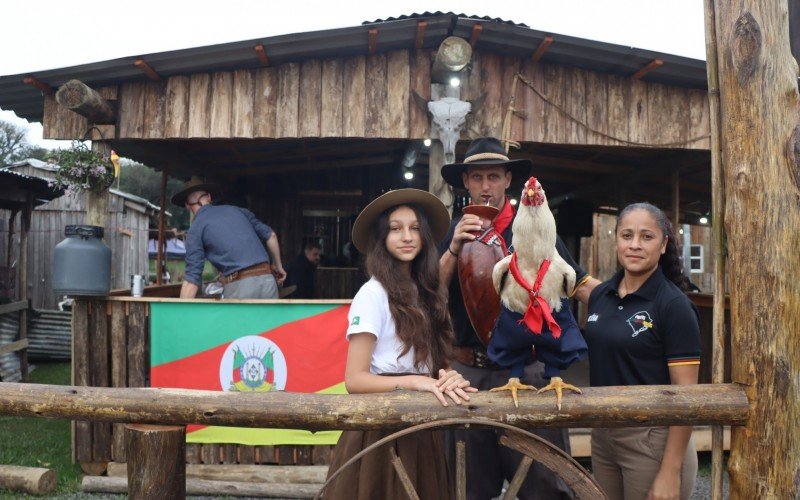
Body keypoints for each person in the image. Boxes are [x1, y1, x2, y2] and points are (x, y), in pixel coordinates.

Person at [438, 137, 600, 500]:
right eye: (476, 177)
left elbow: (576, 281)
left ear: (507, 179)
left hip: (527, 367)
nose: (485, 186)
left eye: (493, 176)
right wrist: (453, 248)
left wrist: (630, 301)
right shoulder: (456, 229)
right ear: (465, 182)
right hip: (468, 372)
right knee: (467, 485)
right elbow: (430, 290)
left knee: (542, 480)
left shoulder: (535, 226)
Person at [323, 188, 477, 500]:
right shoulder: (373, 293)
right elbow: (354, 379)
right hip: (379, 429)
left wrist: (446, 376)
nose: (406, 237)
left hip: (420, 428)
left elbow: (434, 365)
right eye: (395, 229)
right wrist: (416, 382)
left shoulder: (430, 293)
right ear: (381, 238)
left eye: (414, 228)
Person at [584, 202, 700, 500]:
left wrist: (670, 471)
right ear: (616, 240)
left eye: (647, 237)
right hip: (603, 434)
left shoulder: (674, 306)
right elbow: (565, 272)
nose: (635, 245)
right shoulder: (602, 295)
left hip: (652, 438)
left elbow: (686, 398)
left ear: (663, 245)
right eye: (627, 235)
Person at [172, 177, 286, 299]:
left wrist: (180, 314)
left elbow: (191, 280)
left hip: (241, 287)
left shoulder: (196, 228)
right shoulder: (239, 210)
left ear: (187, 206)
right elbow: (271, 236)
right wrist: (279, 267)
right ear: (209, 197)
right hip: (268, 281)